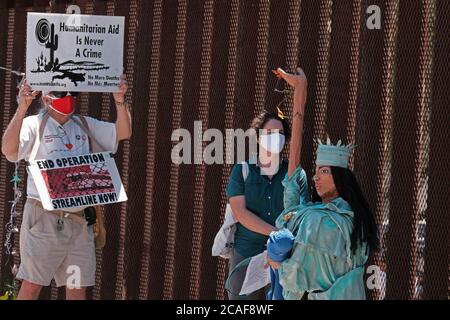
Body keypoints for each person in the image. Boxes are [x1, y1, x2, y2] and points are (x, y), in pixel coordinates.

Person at [1, 76, 132, 300]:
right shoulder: (34, 124)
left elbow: (123, 133)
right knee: (32, 285)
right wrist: (22, 108)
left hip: (79, 223)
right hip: (44, 220)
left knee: (76, 287)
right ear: (46, 97)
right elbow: (9, 150)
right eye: (61, 94)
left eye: (73, 93)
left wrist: (120, 100)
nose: (68, 99)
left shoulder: (84, 124)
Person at [225, 68, 310, 300]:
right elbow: (240, 213)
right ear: (259, 135)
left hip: (284, 259)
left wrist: (282, 243)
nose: (276, 136)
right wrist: (276, 234)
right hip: (247, 255)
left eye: (281, 132)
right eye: (270, 132)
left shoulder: (294, 175)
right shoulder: (243, 171)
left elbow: (301, 214)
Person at [265, 136, 379, 300]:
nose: (316, 177)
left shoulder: (317, 221)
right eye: (316, 171)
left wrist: (277, 264)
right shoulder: (357, 218)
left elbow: (295, 278)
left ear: (340, 178)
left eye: (324, 171)